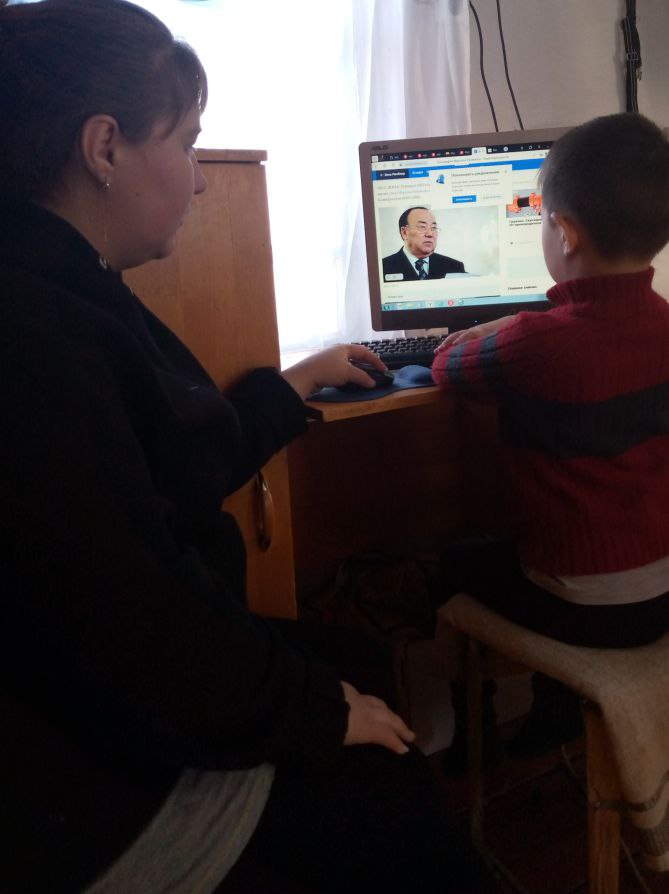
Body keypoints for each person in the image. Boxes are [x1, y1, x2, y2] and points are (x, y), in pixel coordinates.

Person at [0, 2, 498, 892]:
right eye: (189, 142)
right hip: (86, 780)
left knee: (356, 661)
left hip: (111, 687)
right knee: (385, 778)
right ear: (104, 147)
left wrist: (292, 383)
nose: (199, 181)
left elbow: (170, 463)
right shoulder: (35, 336)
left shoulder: (65, 285)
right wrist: (316, 712)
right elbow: (136, 619)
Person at [431, 112, 669, 765]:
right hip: (660, 599)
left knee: (452, 563)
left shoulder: (534, 345)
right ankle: (553, 712)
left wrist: (498, 327)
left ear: (563, 232)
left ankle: (472, 743)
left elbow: (446, 367)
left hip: (581, 608)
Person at [382, 206, 465, 281]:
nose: (430, 234)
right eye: (422, 227)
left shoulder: (454, 267)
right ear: (405, 232)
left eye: (433, 228)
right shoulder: (383, 267)